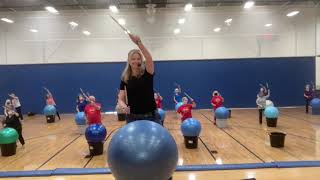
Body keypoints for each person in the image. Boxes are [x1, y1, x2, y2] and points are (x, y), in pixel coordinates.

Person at [117, 33, 161, 124]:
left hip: (151, 116)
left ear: (141, 60)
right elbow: (120, 99)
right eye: (133, 59)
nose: (136, 61)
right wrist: (123, 106)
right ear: (129, 61)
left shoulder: (148, 72)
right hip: (132, 117)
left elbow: (149, 58)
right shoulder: (125, 77)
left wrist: (138, 42)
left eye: (138, 59)